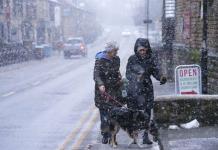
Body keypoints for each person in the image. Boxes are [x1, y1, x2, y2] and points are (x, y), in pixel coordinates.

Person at [126, 38, 167, 145]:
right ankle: (134, 137)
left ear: (147, 50)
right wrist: (136, 77)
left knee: (147, 113)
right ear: (137, 50)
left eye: (144, 50)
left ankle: (145, 136)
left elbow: (155, 71)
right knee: (135, 114)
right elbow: (128, 74)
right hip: (135, 89)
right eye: (140, 50)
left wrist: (161, 77)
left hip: (147, 88)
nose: (143, 52)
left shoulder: (150, 59)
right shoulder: (132, 59)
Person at [93, 41, 123, 144]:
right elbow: (96, 75)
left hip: (114, 90)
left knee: (114, 115)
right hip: (102, 92)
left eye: (117, 51)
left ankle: (112, 136)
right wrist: (101, 84)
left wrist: (119, 78)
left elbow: (116, 71)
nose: (116, 53)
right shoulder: (100, 60)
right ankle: (105, 134)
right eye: (115, 51)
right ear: (109, 51)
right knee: (104, 116)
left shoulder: (117, 59)